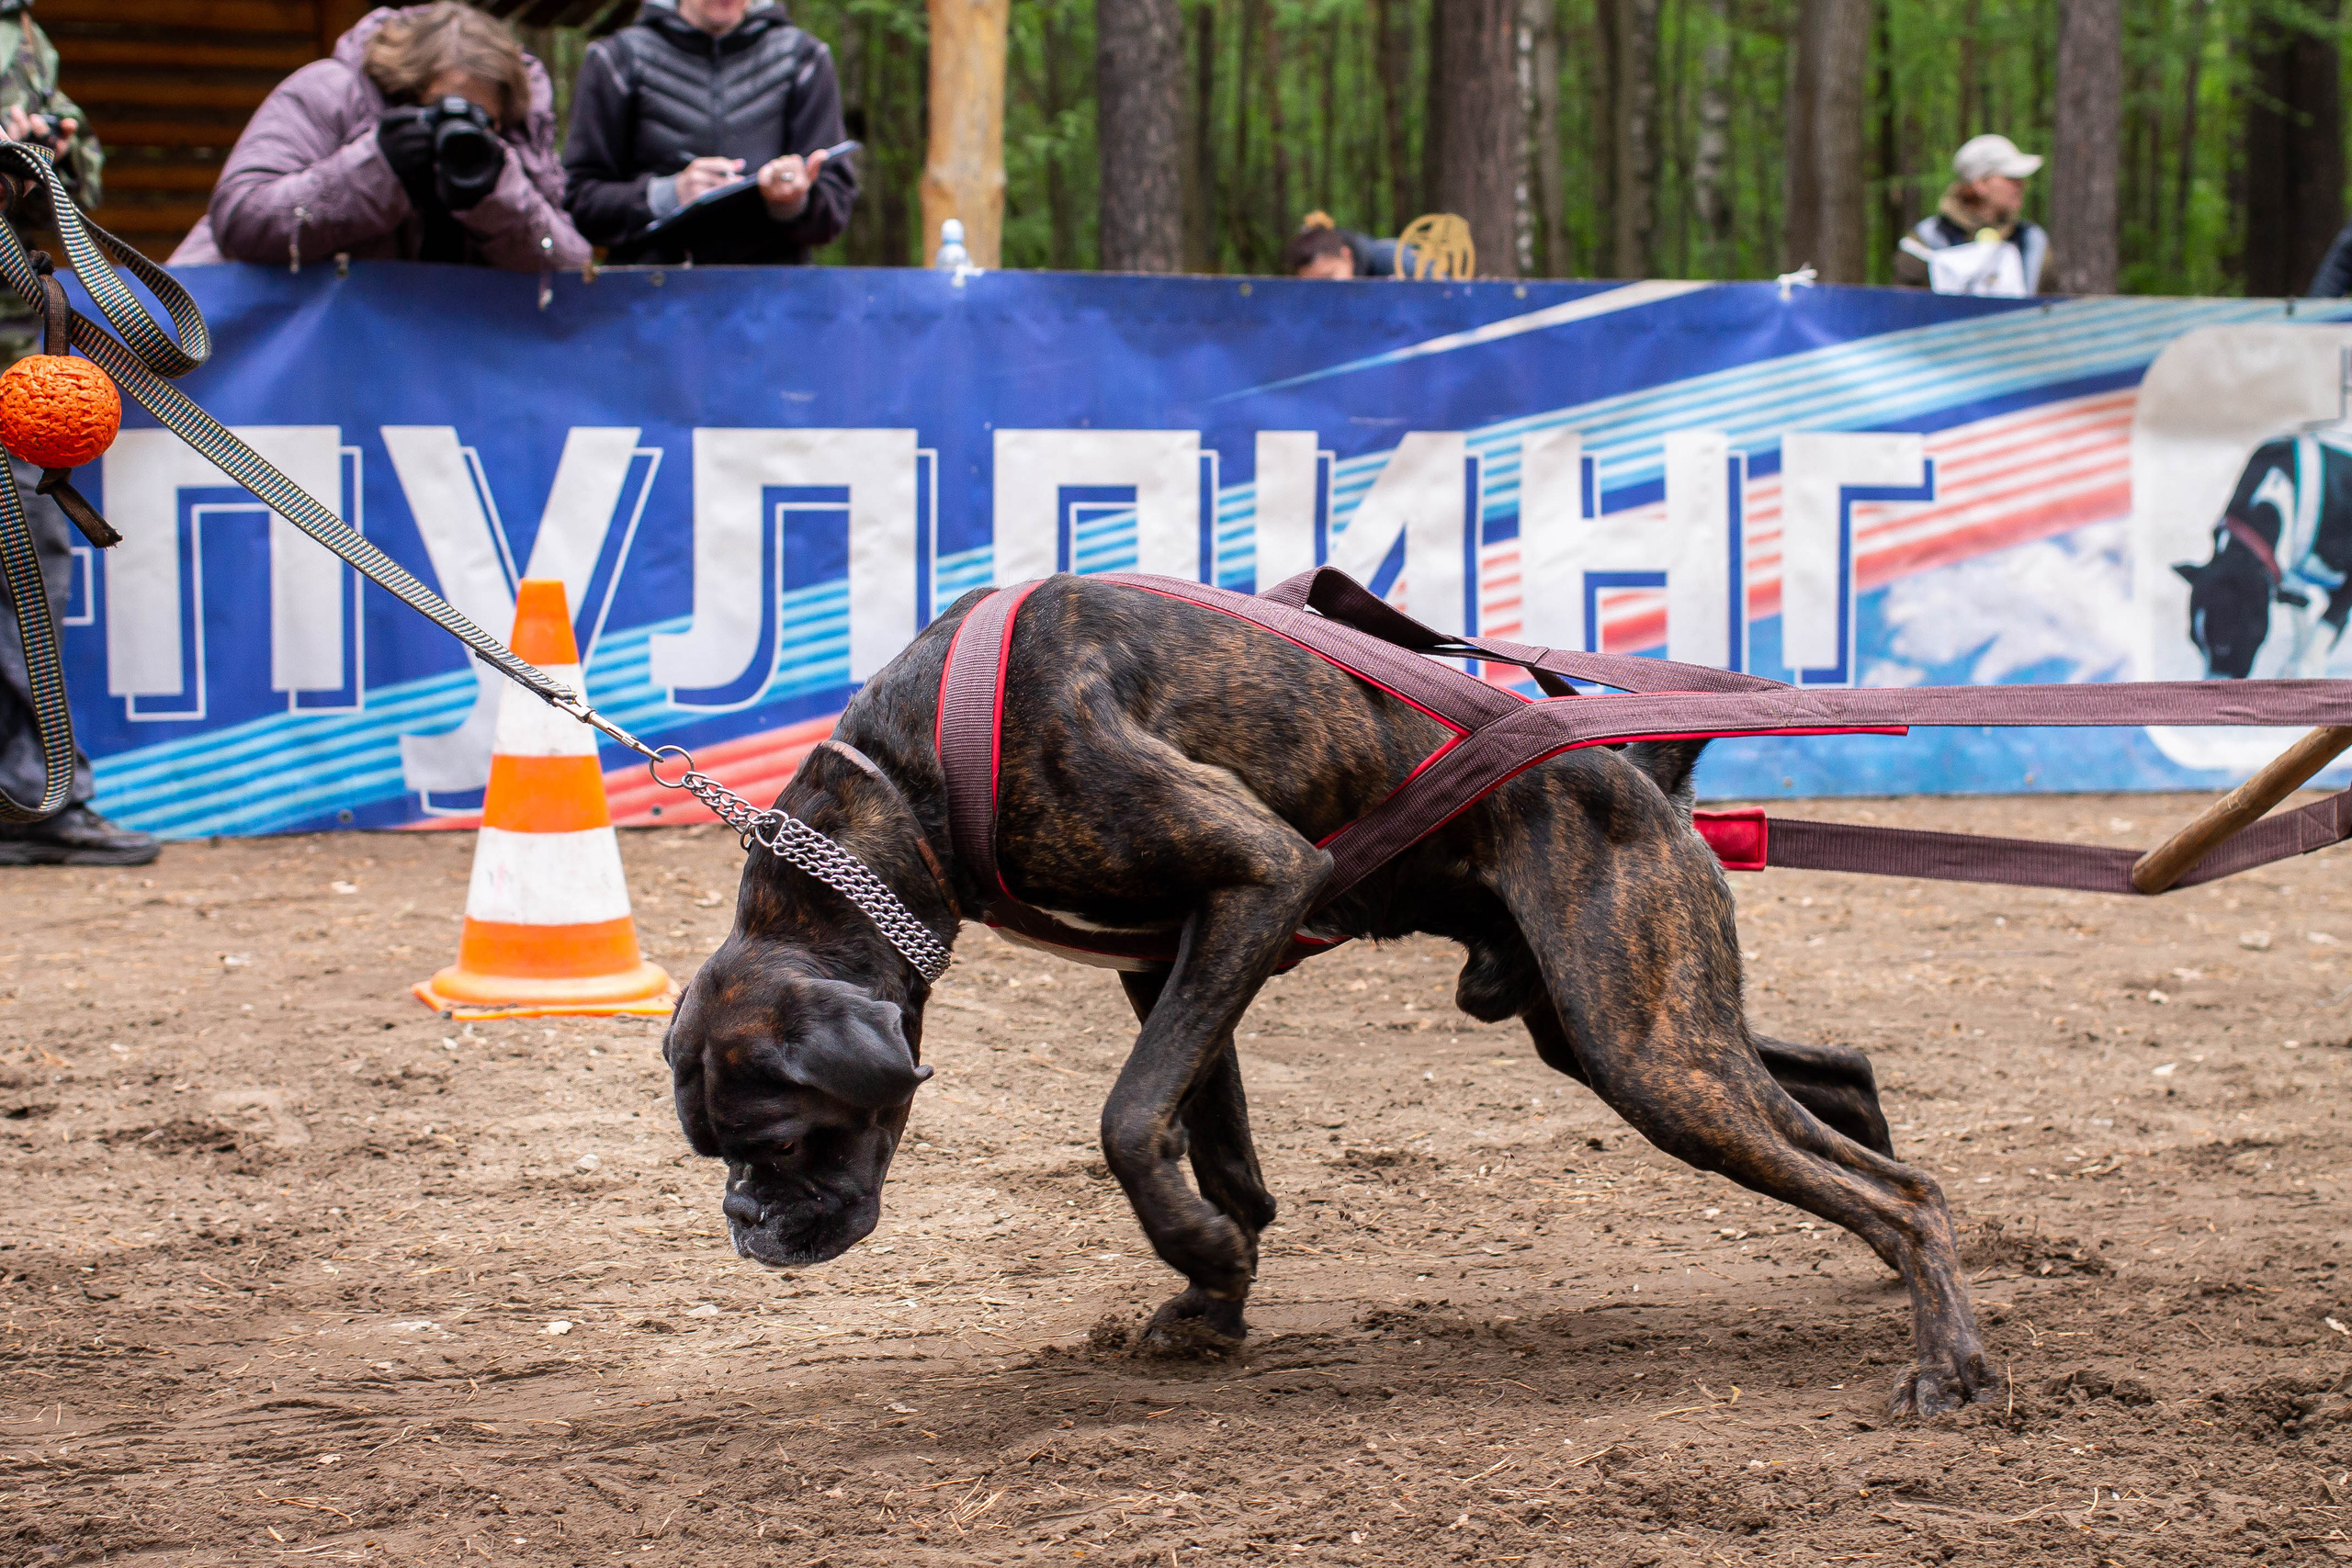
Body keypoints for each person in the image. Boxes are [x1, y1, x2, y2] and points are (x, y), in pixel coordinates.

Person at [0, 6, 153, 864]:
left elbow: (81, 172)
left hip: (12, 360)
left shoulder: (22, 33)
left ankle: (32, 799)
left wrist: (44, 152)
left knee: (24, 571)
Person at [169, 4, 588, 271]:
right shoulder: (330, 93)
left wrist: (499, 199)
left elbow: (573, 266)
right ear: (401, 89)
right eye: (440, 109)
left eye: (480, 118)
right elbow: (239, 218)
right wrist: (377, 169)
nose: (458, 128)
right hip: (264, 350)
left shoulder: (516, 135)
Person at [562, 0, 855, 266]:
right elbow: (578, 203)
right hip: (649, 292)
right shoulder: (616, 60)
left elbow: (835, 208)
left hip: (771, 294)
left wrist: (792, 201)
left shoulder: (804, 58)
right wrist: (670, 194)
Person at [1893, 133, 2049, 297]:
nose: (2021, 184)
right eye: (2010, 177)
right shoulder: (1925, 241)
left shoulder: (2031, 241)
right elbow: (1905, 306)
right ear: (1980, 184)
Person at [1280, 212, 1400, 278]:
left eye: (1327, 278)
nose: (1322, 292)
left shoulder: (1395, 262)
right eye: (1310, 286)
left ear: (1346, 255)